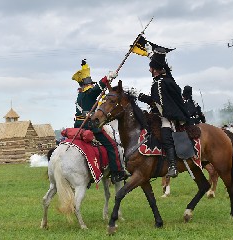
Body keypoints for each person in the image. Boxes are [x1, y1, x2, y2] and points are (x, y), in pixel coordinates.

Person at [72, 59, 129, 183]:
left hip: (78, 124)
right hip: (89, 125)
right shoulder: (89, 93)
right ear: (87, 84)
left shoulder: (80, 95)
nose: (91, 85)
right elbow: (97, 89)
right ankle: (116, 173)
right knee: (112, 145)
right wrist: (107, 78)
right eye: (90, 83)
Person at [138, 48, 190, 178]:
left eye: (151, 67)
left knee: (165, 134)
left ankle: (173, 165)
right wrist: (151, 55)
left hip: (169, 116)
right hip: (163, 113)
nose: (149, 70)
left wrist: (139, 96)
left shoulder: (160, 83)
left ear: (155, 69)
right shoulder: (164, 79)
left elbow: (156, 103)